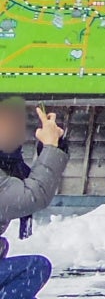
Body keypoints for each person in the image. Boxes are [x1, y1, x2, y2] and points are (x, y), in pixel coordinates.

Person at [0, 98, 65, 299]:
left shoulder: (10, 164)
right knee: (35, 267)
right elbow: (31, 195)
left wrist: (52, 146)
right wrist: (51, 147)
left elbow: (33, 182)